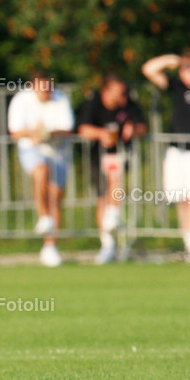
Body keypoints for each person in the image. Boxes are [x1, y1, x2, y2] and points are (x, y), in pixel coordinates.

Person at [142, 48, 190, 262]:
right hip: (176, 151)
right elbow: (148, 69)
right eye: (184, 67)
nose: (187, 71)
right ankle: (188, 244)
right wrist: (171, 59)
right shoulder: (177, 87)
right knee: (180, 197)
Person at [76, 75, 147, 264]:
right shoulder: (94, 103)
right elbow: (82, 128)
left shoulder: (128, 104)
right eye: (119, 92)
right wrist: (101, 134)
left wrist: (133, 128)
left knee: (115, 178)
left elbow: (142, 126)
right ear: (107, 91)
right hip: (97, 155)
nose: (123, 96)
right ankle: (107, 244)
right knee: (101, 197)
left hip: (119, 154)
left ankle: (113, 215)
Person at [7, 71, 74, 267]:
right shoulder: (21, 100)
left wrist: (48, 133)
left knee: (56, 194)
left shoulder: (60, 98)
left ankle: (51, 245)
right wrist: (33, 132)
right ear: (33, 87)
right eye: (42, 89)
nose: (47, 92)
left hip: (58, 150)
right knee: (41, 171)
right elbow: (15, 132)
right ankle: (44, 217)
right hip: (32, 148)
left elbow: (68, 127)